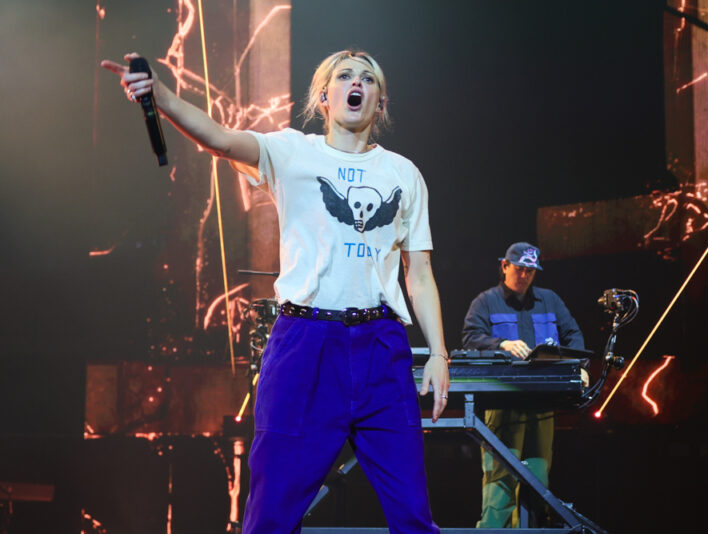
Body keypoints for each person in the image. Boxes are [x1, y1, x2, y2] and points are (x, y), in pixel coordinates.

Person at [102, 50, 450, 533]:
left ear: (381, 102)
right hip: (305, 343)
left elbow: (420, 274)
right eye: (344, 76)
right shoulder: (292, 152)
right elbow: (219, 138)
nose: (357, 83)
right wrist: (160, 95)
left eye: (368, 79)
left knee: (413, 513)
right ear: (324, 97)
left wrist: (439, 354)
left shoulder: (403, 174)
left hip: (380, 347)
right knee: (271, 513)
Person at [461, 242, 584, 528]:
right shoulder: (486, 301)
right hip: (502, 404)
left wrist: (581, 367)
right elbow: (470, 338)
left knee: (538, 480)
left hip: (541, 405)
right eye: (520, 269)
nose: (525, 275)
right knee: (500, 481)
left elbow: (573, 336)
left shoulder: (549, 300)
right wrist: (501, 343)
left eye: (531, 271)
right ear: (504, 266)